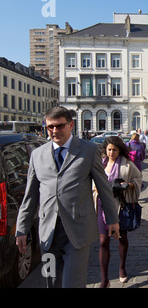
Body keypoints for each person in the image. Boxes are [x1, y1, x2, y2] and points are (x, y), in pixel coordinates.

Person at [15, 106, 120, 288]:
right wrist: (22, 229)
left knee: (72, 283)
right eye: (50, 127)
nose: (54, 131)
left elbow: (104, 188)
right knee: (52, 282)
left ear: (70, 125)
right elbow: (30, 196)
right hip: (47, 234)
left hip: (77, 231)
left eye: (59, 126)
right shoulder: (37, 155)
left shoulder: (88, 150)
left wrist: (112, 219)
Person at [96, 136, 142, 288]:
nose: (111, 152)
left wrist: (128, 185)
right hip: (101, 206)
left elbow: (138, 178)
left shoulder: (127, 165)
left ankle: (122, 267)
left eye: (114, 150)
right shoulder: (100, 164)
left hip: (119, 206)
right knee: (103, 241)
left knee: (121, 238)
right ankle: (104, 279)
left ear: (119, 150)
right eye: (109, 149)